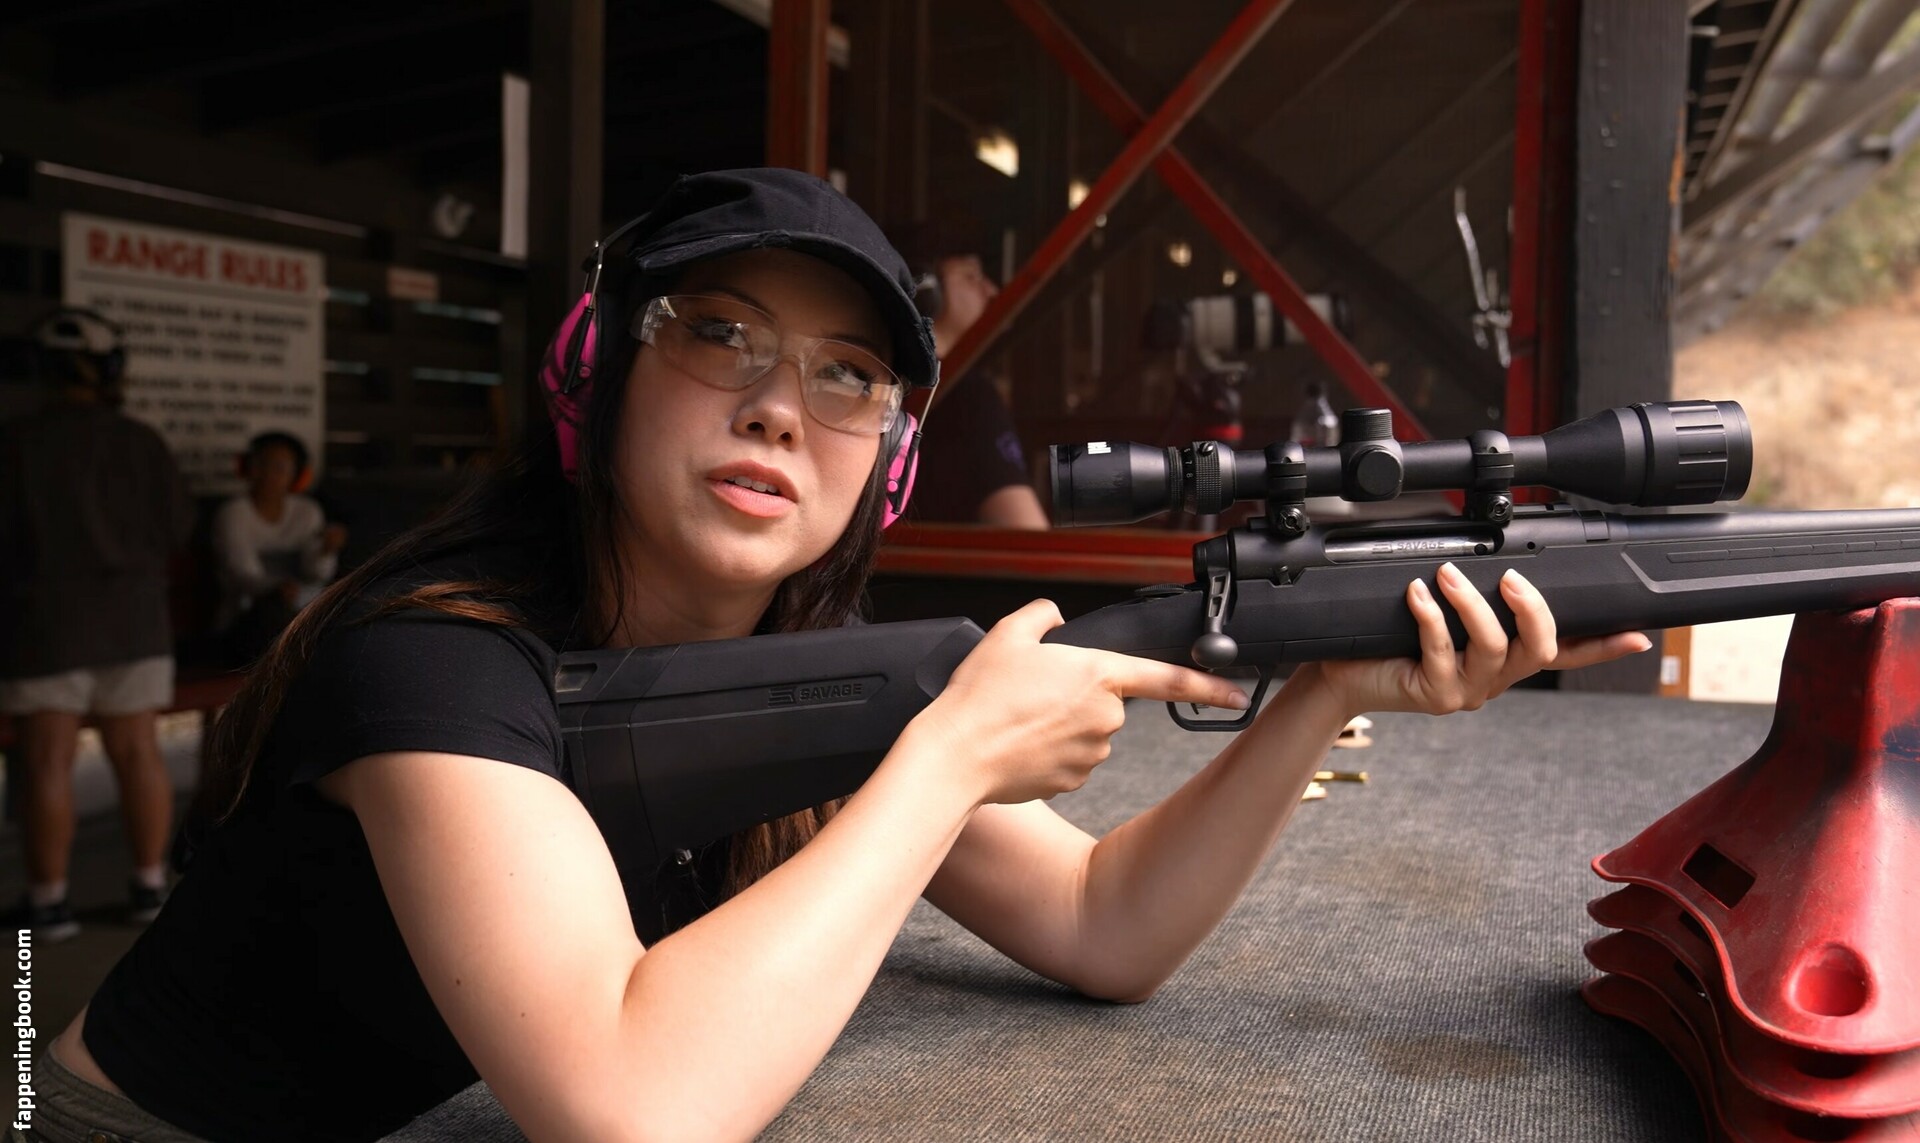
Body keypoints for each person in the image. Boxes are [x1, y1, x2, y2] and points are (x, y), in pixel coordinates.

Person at [35, 170, 1646, 1143]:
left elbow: (1107, 923)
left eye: (846, 375)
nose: (776, 406)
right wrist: (945, 761)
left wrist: (1323, 689)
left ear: (887, 459)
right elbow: (632, 1104)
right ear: (596, 372)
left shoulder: (813, 682)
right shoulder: (431, 665)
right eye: (719, 333)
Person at [0, 307, 193, 942]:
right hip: (135, 619)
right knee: (138, 751)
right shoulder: (141, 441)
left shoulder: (16, 442)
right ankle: (148, 888)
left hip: (46, 621)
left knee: (46, 761)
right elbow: (175, 529)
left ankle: (49, 904)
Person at [889, 224, 1050, 528]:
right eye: (971, 276)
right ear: (927, 291)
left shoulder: (880, 379)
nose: (991, 291)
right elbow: (1025, 529)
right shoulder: (971, 395)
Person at [211, 430, 346, 664]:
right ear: (246, 468)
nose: (268, 475)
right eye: (260, 465)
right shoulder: (234, 514)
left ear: (297, 475)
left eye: (279, 468)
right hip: (246, 622)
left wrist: (326, 551)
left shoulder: (308, 512)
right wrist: (277, 589)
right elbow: (243, 575)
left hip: (303, 619)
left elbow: (318, 574)